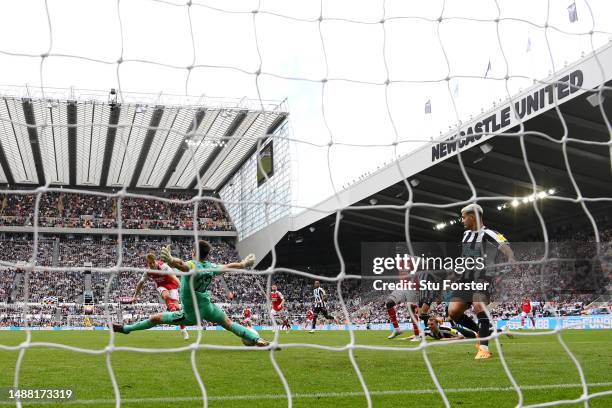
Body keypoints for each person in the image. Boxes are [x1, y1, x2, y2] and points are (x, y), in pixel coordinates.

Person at [113, 240, 269, 347]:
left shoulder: (193, 264)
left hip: (191, 313)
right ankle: (256, 339)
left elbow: (182, 266)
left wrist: (172, 260)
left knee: (156, 318)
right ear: (207, 255)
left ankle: (126, 329)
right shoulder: (211, 266)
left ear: (194, 252)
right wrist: (242, 264)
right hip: (207, 307)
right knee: (228, 324)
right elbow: (228, 266)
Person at [447, 203, 515, 359]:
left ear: (472, 217)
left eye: (464, 217)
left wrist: (510, 257)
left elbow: (504, 245)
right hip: (464, 280)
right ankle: (479, 332)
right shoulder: (465, 235)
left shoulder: (489, 233)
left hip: (482, 277)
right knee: (453, 312)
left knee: (478, 305)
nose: (462, 220)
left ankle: (484, 348)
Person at [132, 253, 189, 340]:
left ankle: (183, 330)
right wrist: (135, 296)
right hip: (161, 286)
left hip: (172, 285)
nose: (150, 265)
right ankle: (172, 309)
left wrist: (182, 287)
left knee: (177, 308)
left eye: (152, 263)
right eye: (149, 263)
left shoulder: (164, 267)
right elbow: (140, 283)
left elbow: (174, 277)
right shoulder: (148, 272)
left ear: (155, 261)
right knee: (165, 295)